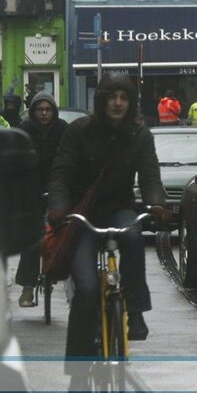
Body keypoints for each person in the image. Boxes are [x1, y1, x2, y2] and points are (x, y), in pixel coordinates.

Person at [46, 72, 171, 387]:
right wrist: (59, 207)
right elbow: (60, 173)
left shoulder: (139, 135)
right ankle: (77, 374)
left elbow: (150, 176)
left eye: (124, 98)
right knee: (87, 290)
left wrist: (156, 204)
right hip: (81, 215)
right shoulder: (78, 132)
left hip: (119, 207)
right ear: (101, 100)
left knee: (131, 234)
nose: (118, 103)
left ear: (131, 103)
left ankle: (137, 310)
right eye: (112, 97)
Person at [15, 91, 68, 307]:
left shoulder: (63, 129)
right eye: (40, 109)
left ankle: (58, 273)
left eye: (48, 109)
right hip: (31, 188)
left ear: (53, 111)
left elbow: (70, 157)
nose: (44, 113)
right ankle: (27, 287)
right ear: (33, 111)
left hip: (58, 186)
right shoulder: (23, 130)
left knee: (63, 232)